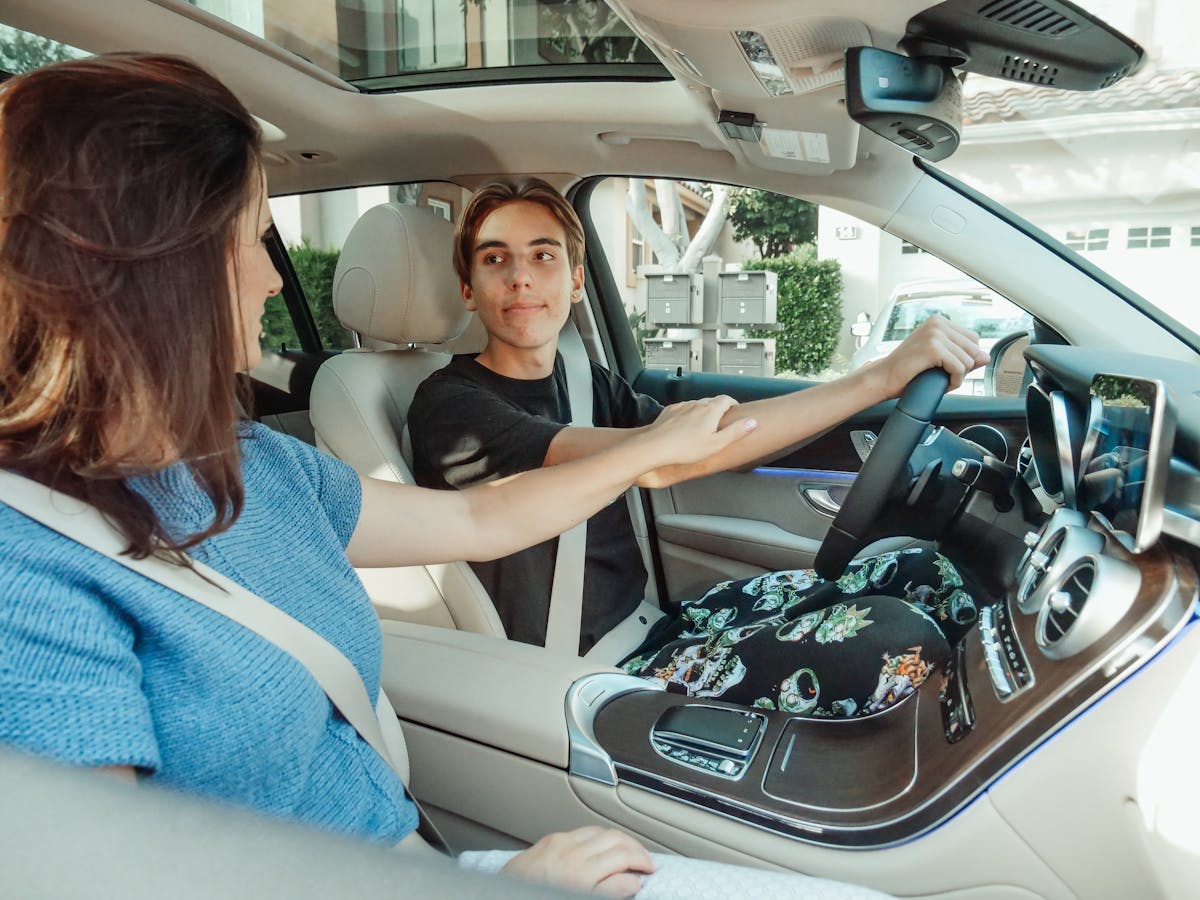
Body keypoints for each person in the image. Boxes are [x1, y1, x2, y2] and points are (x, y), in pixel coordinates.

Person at [0, 54, 897, 900]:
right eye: (252, 239)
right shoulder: (30, 568)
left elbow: (476, 522)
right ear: (162, 270)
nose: (275, 279)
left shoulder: (254, 462)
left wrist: (649, 445)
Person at [409, 178, 991, 715]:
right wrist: (878, 379)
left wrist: (875, 384)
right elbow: (661, 459)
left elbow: (719, 438)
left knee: (929, 571)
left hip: (655, 625)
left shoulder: (585, 379)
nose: (520, 277)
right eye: (494, 259)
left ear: (577, 280)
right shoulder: (451, 406)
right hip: (592, 670)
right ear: (468, 288)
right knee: (896, 638)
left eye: (543, 255)